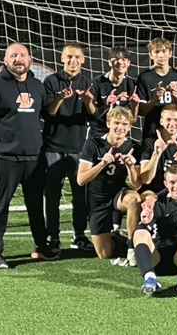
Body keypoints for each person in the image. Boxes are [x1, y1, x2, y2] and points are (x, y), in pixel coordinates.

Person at [0, 43, 55, 268]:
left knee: (35, 205)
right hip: (5, 158)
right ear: (5, 60)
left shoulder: (37, 85)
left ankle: (41, 245)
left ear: (29, 59)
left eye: (22, 55)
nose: (18, 59)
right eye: (13, 56)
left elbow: (47, 114)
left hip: (34, 157)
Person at [41, 42, 96, 254]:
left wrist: (87, 100)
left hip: (78, 147)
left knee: (80, 194)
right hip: (53, 147)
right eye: (69, 57)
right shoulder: (51, 81)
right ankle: (53, 237)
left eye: (77, 57)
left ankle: (79, 235)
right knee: (52, 194)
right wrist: (60, 98)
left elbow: (94, 115)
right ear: (62, 59)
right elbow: (48, 113)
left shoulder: (87, 83)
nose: (73, 61)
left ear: (83, 60)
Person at [76, 106, 142, 264]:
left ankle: (132, 247)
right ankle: (116, 238)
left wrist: (130, 167)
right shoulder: (93, 144)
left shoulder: (133, 147)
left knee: (134, 199)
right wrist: (101, 164)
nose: (120, 127)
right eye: (117, 123)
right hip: (97, 200)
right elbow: (81, 180)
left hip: (118, 194)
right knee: (104, 254)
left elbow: (137, 184)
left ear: (129, 127)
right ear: (108, 124)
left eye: (125, 124)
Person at [134, 166, 177, 295]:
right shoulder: (158, 204)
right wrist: (145, 222)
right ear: (165, 184)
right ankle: (150, 278)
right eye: (172, 182)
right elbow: (146, 228)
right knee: (139, 232)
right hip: (157, 257)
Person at [136, 38, 177, 140]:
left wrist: (176, 98)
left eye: (164, 51)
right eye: (157, 52)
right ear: (150, 55)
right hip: (152, 130)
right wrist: (154, 100)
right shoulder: (144, 77)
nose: (161, 55)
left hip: (173, 130)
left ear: (170, 53)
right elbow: (141, 111)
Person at [88, 46, 139, 139]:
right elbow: (92, 116)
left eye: (124, 59)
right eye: (116, 59)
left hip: (119, 134)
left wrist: (135, 106)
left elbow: (133, 119)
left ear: (128, 63)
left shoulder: (132, 85)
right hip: (98, 134)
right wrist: (106, 106)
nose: (120, 62)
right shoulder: (96, 83)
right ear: (109, 62)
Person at [139, 104, 177, 194]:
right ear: (161, 121)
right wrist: (156, 154)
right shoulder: (150, 142)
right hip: (151, 191)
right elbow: (146, 180)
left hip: (174, 192)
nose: (172, 124)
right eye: (168, 119)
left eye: (176, 120)